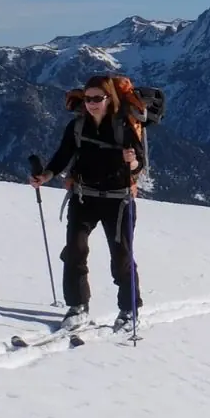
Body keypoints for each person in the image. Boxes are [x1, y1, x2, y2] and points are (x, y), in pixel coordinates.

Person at [31, 75, 148, 330]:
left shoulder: (124, 126)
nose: (92, 103)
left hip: (119, 201)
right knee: (74, 250)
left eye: (98, 98)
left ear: (109, 99)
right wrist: (46, 175)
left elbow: (140, 162)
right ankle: (77, 305)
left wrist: (133, 161)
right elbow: (63, 155)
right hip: (83, 196)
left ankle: (129, 310)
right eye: (88, 98)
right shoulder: (77, 126)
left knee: (121, 256)